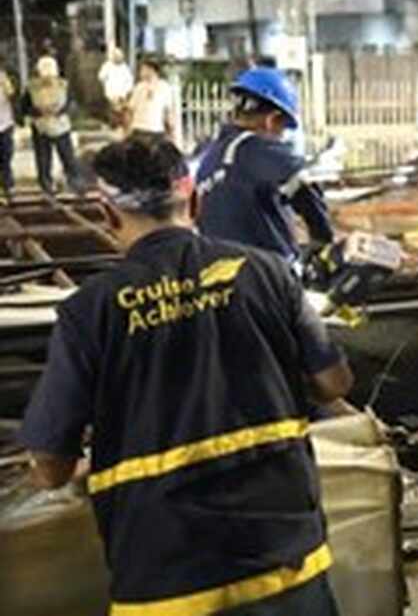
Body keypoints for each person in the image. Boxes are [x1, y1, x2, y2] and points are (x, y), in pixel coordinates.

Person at [18, 137, 351, 615]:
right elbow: (333, 384)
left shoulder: (89, 312)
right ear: (195, 201)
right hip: (287, 564)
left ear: (106, 214)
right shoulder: (268, 272)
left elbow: (50, 465)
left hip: (166, 581)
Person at [195, 67, 335, 268]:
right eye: (283, 127)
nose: (281, 135)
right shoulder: (257, 148)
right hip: (267, 275)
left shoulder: (210, 156)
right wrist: (323, 242)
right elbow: (306, 188)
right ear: (272, 120)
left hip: (220, 277)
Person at [21, 55, 84, 195]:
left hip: (61, 126)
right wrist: (38, 112)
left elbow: (71, 103)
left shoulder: (63, 85)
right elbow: (24, 106)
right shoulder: (32, 87)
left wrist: (60, 111)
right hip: (40, 127)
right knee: (43, 160)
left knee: (68, 157)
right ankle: (46, 186)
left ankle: (75, 184)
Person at [128, 58, 178, 144]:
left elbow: (130, 110)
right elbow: (168, 112)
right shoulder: (164, 87)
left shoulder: (140, 87)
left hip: (142, 130)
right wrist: (171, 131)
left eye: (142, 69)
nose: (140, 72)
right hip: (154, 130)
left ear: (151, 70)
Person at [98, 47, 134, 131]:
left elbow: (129, 81)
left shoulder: (125, 68)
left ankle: (121, 125)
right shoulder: (107, 65)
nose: (117, 57)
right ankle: (112, 125)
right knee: (112, 110)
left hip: (122, 94)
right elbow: (101, 77)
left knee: (121, 110)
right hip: (111, 93)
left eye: (119, 56)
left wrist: (125, 93)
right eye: (115, 56)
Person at [0, 59, 16, 203]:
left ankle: (8, 188)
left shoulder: (3, 77)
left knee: (6, 159)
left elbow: (11, 94)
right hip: (5, 123)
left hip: (5, 124)